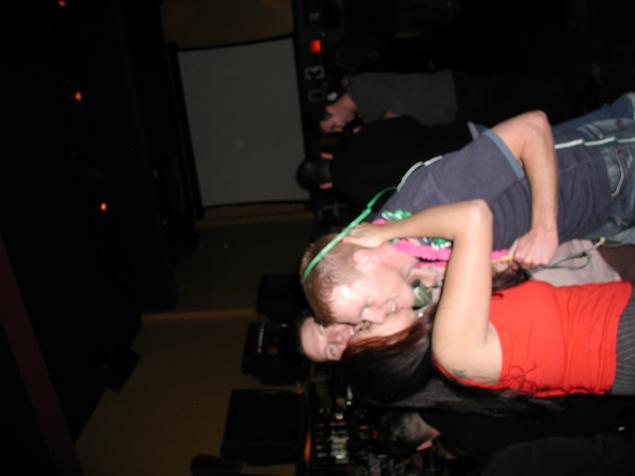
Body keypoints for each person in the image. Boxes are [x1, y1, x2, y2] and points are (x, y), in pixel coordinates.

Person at [301, 93, 635, 327]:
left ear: (365, 258)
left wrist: (543, 228)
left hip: (608, 174)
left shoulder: (426, 200)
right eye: (362, 321)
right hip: (599, 215)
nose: (375, 316)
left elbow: (532, 127)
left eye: (365, 306)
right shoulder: (418, 252)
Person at [339, 200, 635, 401]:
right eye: (365, 328)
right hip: (620, 338)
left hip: (616, 321)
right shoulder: (452, 348)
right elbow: (473, 217)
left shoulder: (450, 347)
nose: (374, 317)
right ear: (389, 353)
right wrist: (386, 232)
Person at [299, 238, 633, 362]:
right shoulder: (404, 353)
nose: (338, 337)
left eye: (325, 329)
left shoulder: (390, 282)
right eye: (331, 350)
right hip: (597, 320)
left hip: (584, 260)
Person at [319, 71, 595, 133]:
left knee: (518, 94)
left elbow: (399, 105)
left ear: (330, 110)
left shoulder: (361, 87)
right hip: (448, 111)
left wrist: (378, 128)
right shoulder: (365, 114)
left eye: (332, 125)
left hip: (449, 92)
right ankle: (577, 100)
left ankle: (577, 85)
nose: (338, 128)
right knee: (516, 107)